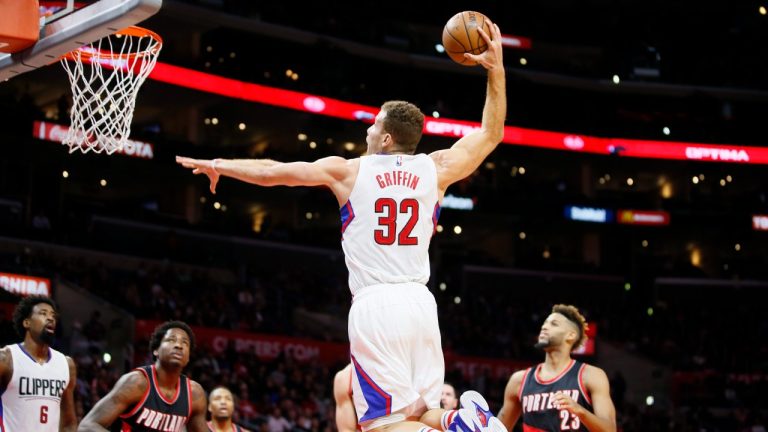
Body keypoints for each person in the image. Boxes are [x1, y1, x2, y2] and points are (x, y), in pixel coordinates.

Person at [177, 18, 506, 432]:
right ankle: (461, 419)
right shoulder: (436, 168)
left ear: (386, 139)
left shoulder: (349, 171)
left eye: (374, 124)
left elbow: (275, 172)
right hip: (421, 303)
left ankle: (462, 425)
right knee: (422, 414)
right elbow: (492, 134)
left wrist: (220, 165)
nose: (368, 128)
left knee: (384, 425)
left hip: (376, 305)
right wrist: (495, 69)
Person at [497, 304, 616, 432]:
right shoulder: (519, 380)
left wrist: (581, 411)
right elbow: (498, 429)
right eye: (545, 323)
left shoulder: (591, 375)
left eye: (554, 324)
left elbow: (610, 429)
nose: (544, 327)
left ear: (571, 335)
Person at [78, 320, 208, 431]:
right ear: (156, 350)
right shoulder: (136, 383)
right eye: (171, 340)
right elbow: (87, 426)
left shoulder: (194, 394)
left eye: (185, 343)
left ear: (188, 358)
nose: (179, 345)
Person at [0, 295, 77, 431]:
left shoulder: (66, 364)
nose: (50, 318)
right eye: (43, 313)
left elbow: (68, 423)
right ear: (26, 323)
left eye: (53, 315)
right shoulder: (6, 359)